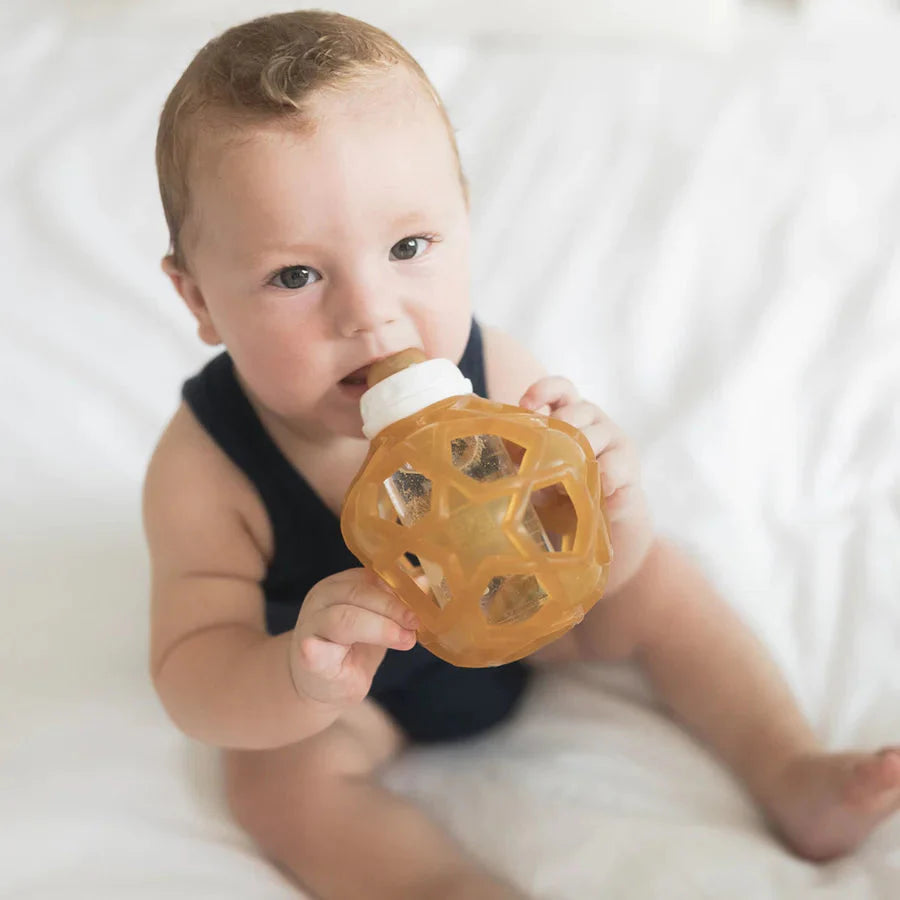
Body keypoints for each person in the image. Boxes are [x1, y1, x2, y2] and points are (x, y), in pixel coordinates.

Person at [142, 10, 900, 899]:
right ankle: (448, 886)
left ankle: (789, 767)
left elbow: (596, 580)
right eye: (296, 276)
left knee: (663, 584)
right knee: (271, 786)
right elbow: (189, 673)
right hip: (367, 701)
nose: (371, 313)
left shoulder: (495, 374)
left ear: (464, 222)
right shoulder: (207, 470)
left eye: (409, 247)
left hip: (527, 624)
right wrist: (300, 676)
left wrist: (613, 516)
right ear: (199, 300)